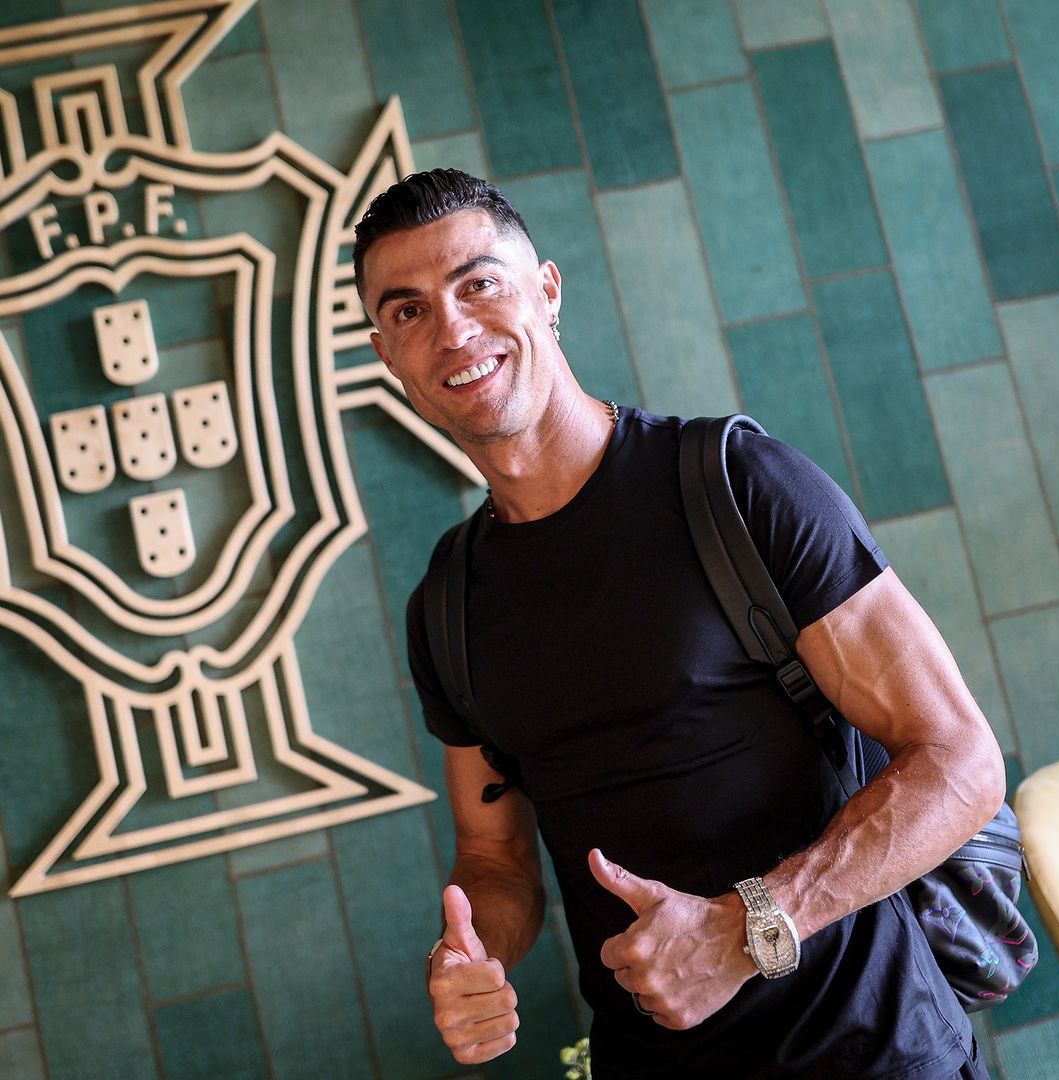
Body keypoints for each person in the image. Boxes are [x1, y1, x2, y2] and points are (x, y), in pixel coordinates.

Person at [352, 169, 1004, 1078]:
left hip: (876, 1053)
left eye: (479, 284)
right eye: (409, 310)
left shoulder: (737, 488)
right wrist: (465, 956)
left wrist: (746, 927)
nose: (453, 329)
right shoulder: (447, 606)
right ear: (386, 352)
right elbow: (494, 858)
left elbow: (960, 761)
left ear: (547, 290)